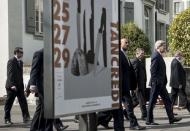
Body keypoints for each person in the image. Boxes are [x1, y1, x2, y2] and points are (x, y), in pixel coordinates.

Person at [146, 40, 182, 125]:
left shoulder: (159, 56)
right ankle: (149, 120)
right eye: (163, 46)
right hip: (157, 83)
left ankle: (171, 119)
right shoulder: (155, 56)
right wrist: (155, 82)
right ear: (159, 47)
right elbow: (153, 70)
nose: (165, 47)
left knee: (167, 101)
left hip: (161, 84)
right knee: (152, 101)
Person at [120, 38, 146, 130]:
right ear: (120, 44)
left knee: (127, 105)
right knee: (129, 104)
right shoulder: (119, 54)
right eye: (126, 42)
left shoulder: (125, 54)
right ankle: (133, 124)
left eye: (128, 42)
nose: (128, 44)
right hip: (122, 86)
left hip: (126, 85)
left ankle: (101, 120)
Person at [4, 47, 30, 125]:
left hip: (20, 87)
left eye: (22, 52)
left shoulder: (21, 62)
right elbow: (10, 73)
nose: (22, 54)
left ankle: (26, 118)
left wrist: (23, 86)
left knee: (23, 102)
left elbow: (20, 75)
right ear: (16, 53)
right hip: (12, 87)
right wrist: (12, 85)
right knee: (9, 103)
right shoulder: (11, 61)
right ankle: (7, 119)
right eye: (21, 52)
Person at [29, 49, 54, 131]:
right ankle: (47, 129)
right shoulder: (39, 53)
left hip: (51, 85)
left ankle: (34, 128)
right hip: (43, 85)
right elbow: (34, 70)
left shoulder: (54, 53)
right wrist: (32, 84)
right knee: (49, 108)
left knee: (41, 109)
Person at [131, 48, 147, 120]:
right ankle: (144, 115)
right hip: (137, 85)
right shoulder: (135, 61)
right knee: (142, 100)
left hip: (142, 84)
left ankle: (125, 112)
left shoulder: (141, 61)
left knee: (136, 101)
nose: (143, 55)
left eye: (143, 54)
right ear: (137, 54)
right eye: (141, 54)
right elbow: (134, 74)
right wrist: (135, 85)